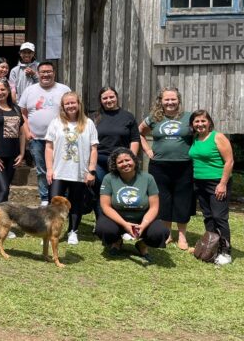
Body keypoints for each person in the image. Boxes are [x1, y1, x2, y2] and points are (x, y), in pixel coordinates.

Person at [138, 87, 194, 250]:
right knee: (163, 199)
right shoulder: (154, 118)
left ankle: (182, 236)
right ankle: (167, 234)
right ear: (161, 101)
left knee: (182, 200)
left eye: (173, 99)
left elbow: (200, 134)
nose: (170, 102)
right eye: (166, 99)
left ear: (179, 100)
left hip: (184, 165)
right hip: (160, 166)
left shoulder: (189, 117)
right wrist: (148, 150)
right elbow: (139, 132)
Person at [95, 148, 169, 263]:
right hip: (117, 219)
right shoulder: (109, 178)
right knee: (103, 229)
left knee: (160, 233)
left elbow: (154, 207)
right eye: (120, 162)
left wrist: (144, 224)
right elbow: (105, 206)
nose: (125, 164)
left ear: (134, 160)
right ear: (115, 165)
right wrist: (125, 224)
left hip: (142, 218)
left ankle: (142, 245)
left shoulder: (148, 178)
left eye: (127, 160)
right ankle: (117, 241)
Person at [44, 91, 98, 245]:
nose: (70, 106)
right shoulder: (56, 123)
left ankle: (73, 231)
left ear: (79, 104)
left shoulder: (88, 124)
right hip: (58, 171)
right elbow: (48, 147)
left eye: (73, 102)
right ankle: (50, 232)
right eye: (67, 103)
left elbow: (93, 149)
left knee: (76, 203)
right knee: (54, 203)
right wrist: (49, 169)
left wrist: (91, 171)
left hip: (79, 172)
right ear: (63, 106)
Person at [18, 61, 70, 205]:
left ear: (54, 73)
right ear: (38, 73)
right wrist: (27, 132)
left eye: (49, 71)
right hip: (37, 138)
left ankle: (62, 198)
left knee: (61, 169)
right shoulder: (30, 90)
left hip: (60, 139)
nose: (46, 74)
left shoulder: (64, 89)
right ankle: (45, 198)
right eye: (42, 72)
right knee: (41, 170)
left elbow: (72, 109)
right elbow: (22, 113)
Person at [188, 110, 234, 265]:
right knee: (208, 216)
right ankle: (211, 248)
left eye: (203, 121)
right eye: (196, 121)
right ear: (192, 124)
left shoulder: (218, 137)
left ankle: (225, 252)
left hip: (217, 182)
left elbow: (229, 161)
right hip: (199, 183)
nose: (200, 124)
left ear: (209, 122)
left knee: (219, 217)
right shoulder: (195, 138)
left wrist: (222, 184)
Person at [92, 87, 140, 222]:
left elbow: (135, 139)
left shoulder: (128, 116)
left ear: (116, 97)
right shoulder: (95, 117)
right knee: (101, 193)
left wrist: (131, 159)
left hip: (121, 162)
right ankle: (101, 222)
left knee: (122, 192)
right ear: (101, 101)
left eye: (111, 97)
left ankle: (124, 224)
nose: (109, 100)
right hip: (99, 161)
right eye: (105, 98)